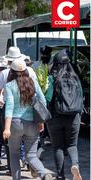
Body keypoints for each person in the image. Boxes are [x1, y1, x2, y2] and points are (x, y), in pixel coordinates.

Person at [2, 59, 52, 180]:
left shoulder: (9, 86)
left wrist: (7, 128)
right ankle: (44, 173)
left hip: (15, 124)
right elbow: (43, 101)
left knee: (14, 154)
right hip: (32, 124)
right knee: (31, 156)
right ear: (25, 70)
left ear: (11, 72)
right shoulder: (33, 82)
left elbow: (9, 107)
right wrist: (40, 122)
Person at [46, 50, 83, 180]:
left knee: (58, 147)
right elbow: (81, 98)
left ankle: (60, 176)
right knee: (72, 145)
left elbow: (48, 98)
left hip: (55, 117)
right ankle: (75, 165)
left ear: (55, 63)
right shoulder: (76, 78)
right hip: (74, 117)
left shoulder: (52, 78)